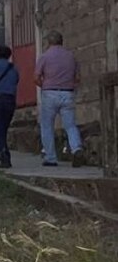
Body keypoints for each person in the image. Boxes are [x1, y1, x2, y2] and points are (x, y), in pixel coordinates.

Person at [35, 30, 85, 167]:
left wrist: (44, 86)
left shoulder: (44, 57)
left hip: (49, 93)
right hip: (68, 93)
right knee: (70, 125)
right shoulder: (71, 57)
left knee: (47, 126)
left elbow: (36, 78)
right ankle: (76, 148)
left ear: (49, 42)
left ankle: (51, 157)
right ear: (61, 41)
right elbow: (77, 78)